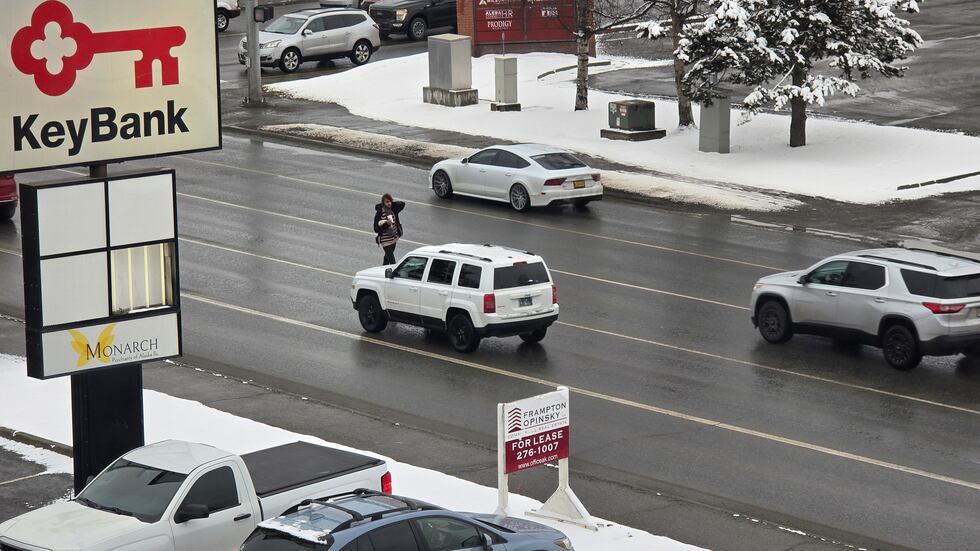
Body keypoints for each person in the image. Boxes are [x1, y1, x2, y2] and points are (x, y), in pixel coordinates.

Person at [373, 193, 404, 265]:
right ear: (383, 203)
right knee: (392, 261)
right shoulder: (379, 213)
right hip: (385, 241)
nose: (389, 203)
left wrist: (392, 204)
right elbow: (376, 229)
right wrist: (387, 224)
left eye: (390, 201)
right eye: (387, 202)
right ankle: (393, 273)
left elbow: (402, 204)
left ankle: (383, 270)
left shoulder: (393, 210)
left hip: (394, 238)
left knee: (387, 258)